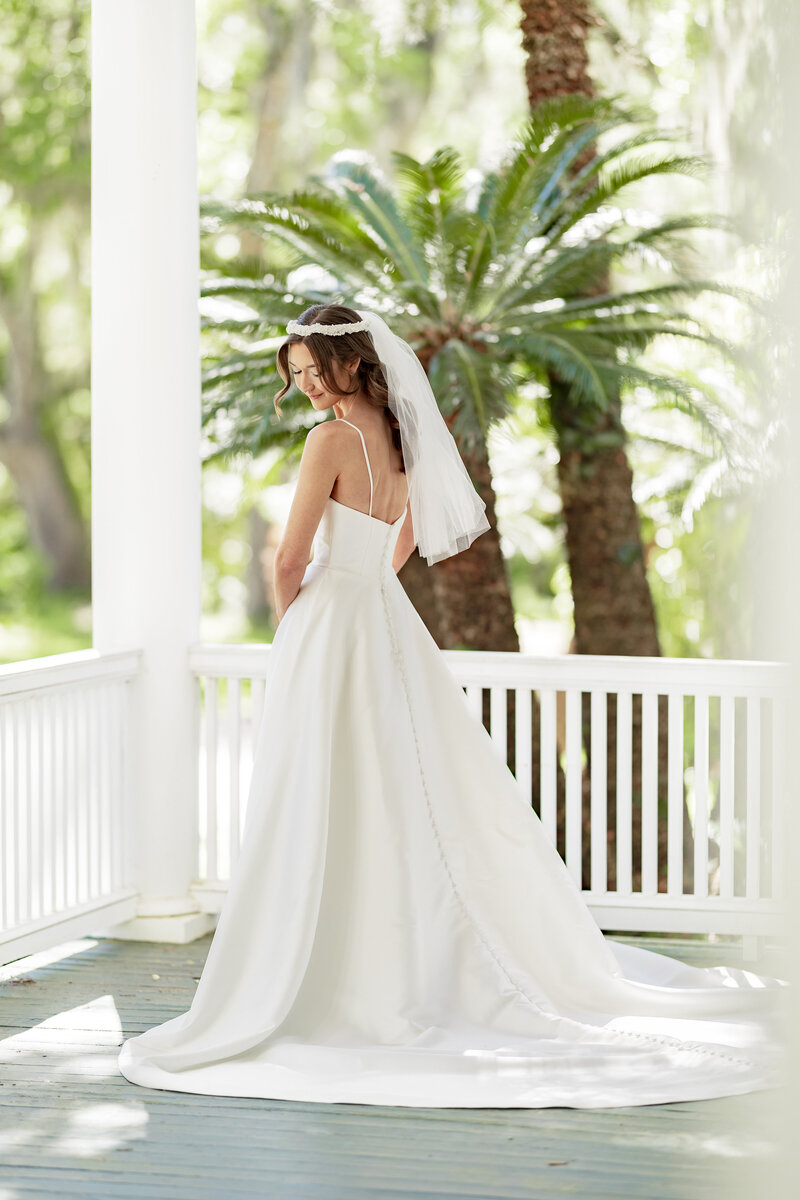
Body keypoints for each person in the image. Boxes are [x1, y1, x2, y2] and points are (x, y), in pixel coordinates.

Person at [119, 303, 786, 1108]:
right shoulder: (399, 437)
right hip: (384, 617)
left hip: (334, 621)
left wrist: (296, 619)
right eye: (291, 374)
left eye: (309, 370)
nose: (300, 387)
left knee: (326, 786)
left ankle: (331, 964)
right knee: (402, 787)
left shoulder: (330, 440)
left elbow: (292, 555)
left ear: (348, 364)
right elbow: (400, 542)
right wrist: (365, 584)